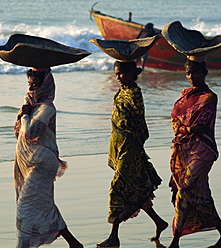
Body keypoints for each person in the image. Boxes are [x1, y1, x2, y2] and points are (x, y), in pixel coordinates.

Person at [97, 61, 168, 247]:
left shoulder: (135, 94)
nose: (118, 77)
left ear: (131, 73)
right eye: (116, 74)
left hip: (130, 147)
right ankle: (159, 222)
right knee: (135, 188)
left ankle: (114, 237)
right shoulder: (122, 91)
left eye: (121, 73)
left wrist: (135, 146)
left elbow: (138, 122)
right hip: (120, 145)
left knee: (117, 188)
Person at [14, 68, 83, 248]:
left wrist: (27, 115)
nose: (32, 89)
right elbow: (18, 133)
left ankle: (23, 245)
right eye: (29, 85)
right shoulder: (31, 106)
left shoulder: (47, 108)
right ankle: (74, 243)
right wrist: (21, 114)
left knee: (25, 207)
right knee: (45, 205)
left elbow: (31, 131)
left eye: (35, 85)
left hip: (42, 165)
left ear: (45, 86)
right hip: (32, 164)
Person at [168, 58, 221, 248]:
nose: (191, 76)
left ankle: (175, 241)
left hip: (202, 150)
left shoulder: (210, 97)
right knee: (200, 194)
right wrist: (184, 129)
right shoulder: (183, 94)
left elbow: (201, 126)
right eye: (188, 72)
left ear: (204, 73)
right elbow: (174, 118)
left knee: (185, 188)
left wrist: (183, 130)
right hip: (183, 149)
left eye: (195, 72)